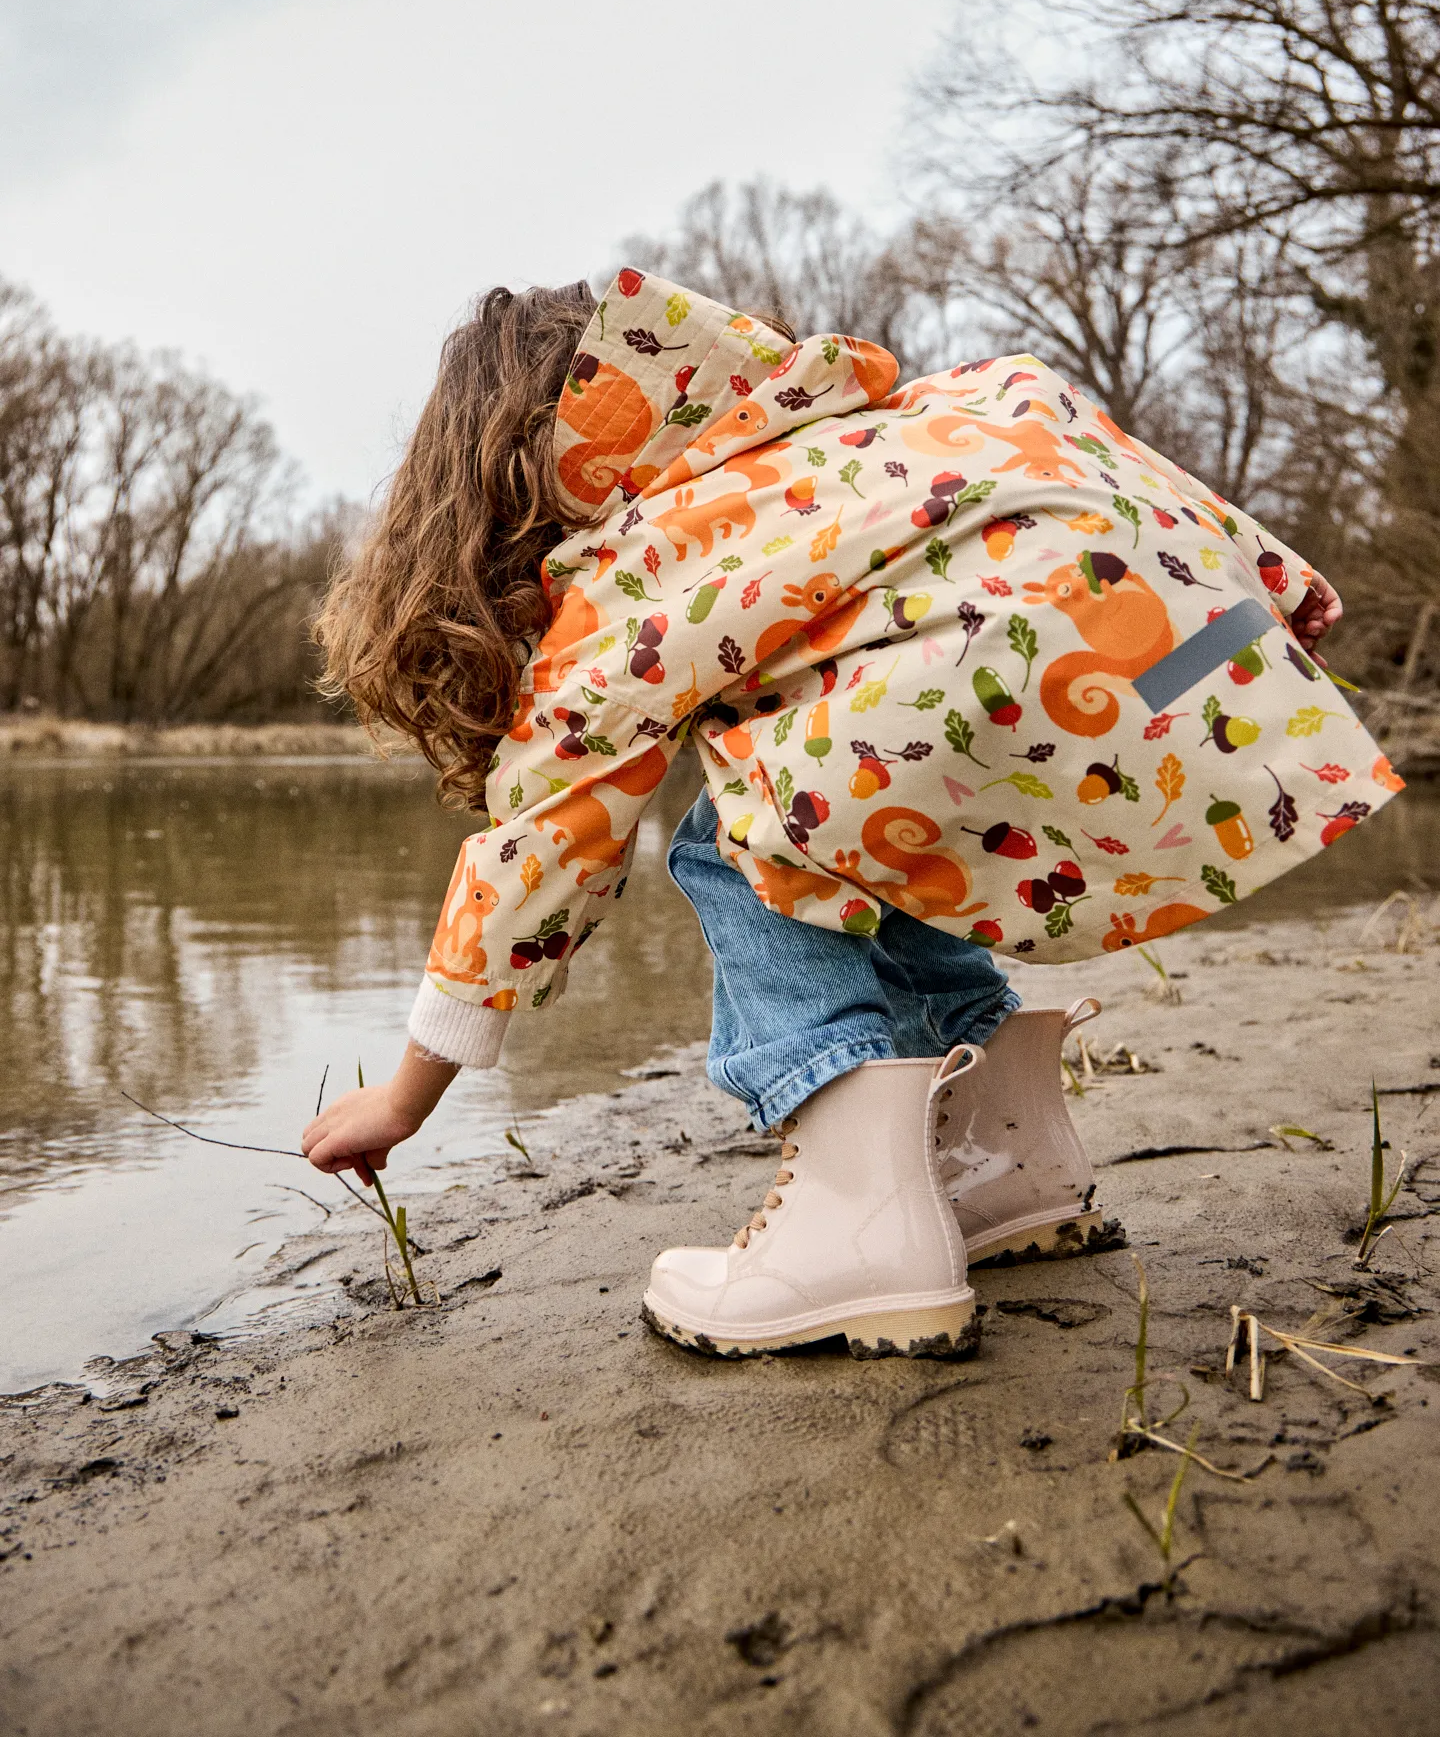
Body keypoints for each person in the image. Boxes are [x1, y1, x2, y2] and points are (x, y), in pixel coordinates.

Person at [303, 269, 1383, 1360]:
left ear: (513, 473)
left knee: (743, 836)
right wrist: (1279, 597)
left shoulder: (640, 564)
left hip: (1018, 679)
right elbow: (1063, 425)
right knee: (875, 823)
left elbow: (545, 845)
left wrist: (404, 1095)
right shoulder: (880, 435)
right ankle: (1011, 1166)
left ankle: (860, 1225)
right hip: (1182, 652)